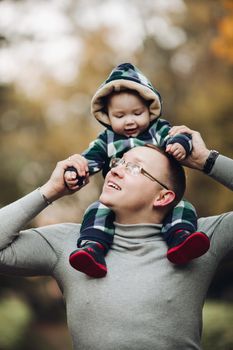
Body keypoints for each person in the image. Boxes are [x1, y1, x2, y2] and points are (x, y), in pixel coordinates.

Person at [0, 126, 232, 350]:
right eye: (118, 162)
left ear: (163, 197)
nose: (115, 169)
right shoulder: (71, 242)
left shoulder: (198, 241)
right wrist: (50, 190)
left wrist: (207, 161)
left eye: (134, 168)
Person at [64, 62, 209, 277]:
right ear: (108, 117)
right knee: (97, 210)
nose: (130, 121)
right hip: (121, 199)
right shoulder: (106, 140)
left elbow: (179, 135)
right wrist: (75, 172)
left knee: (182, 206)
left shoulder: (158, 129)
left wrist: (180, 145)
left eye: (137, 113)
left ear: (149, 110)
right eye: (120, 116)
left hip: (159, 196)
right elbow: (89, 159)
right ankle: (92, 248)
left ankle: (181, 238)